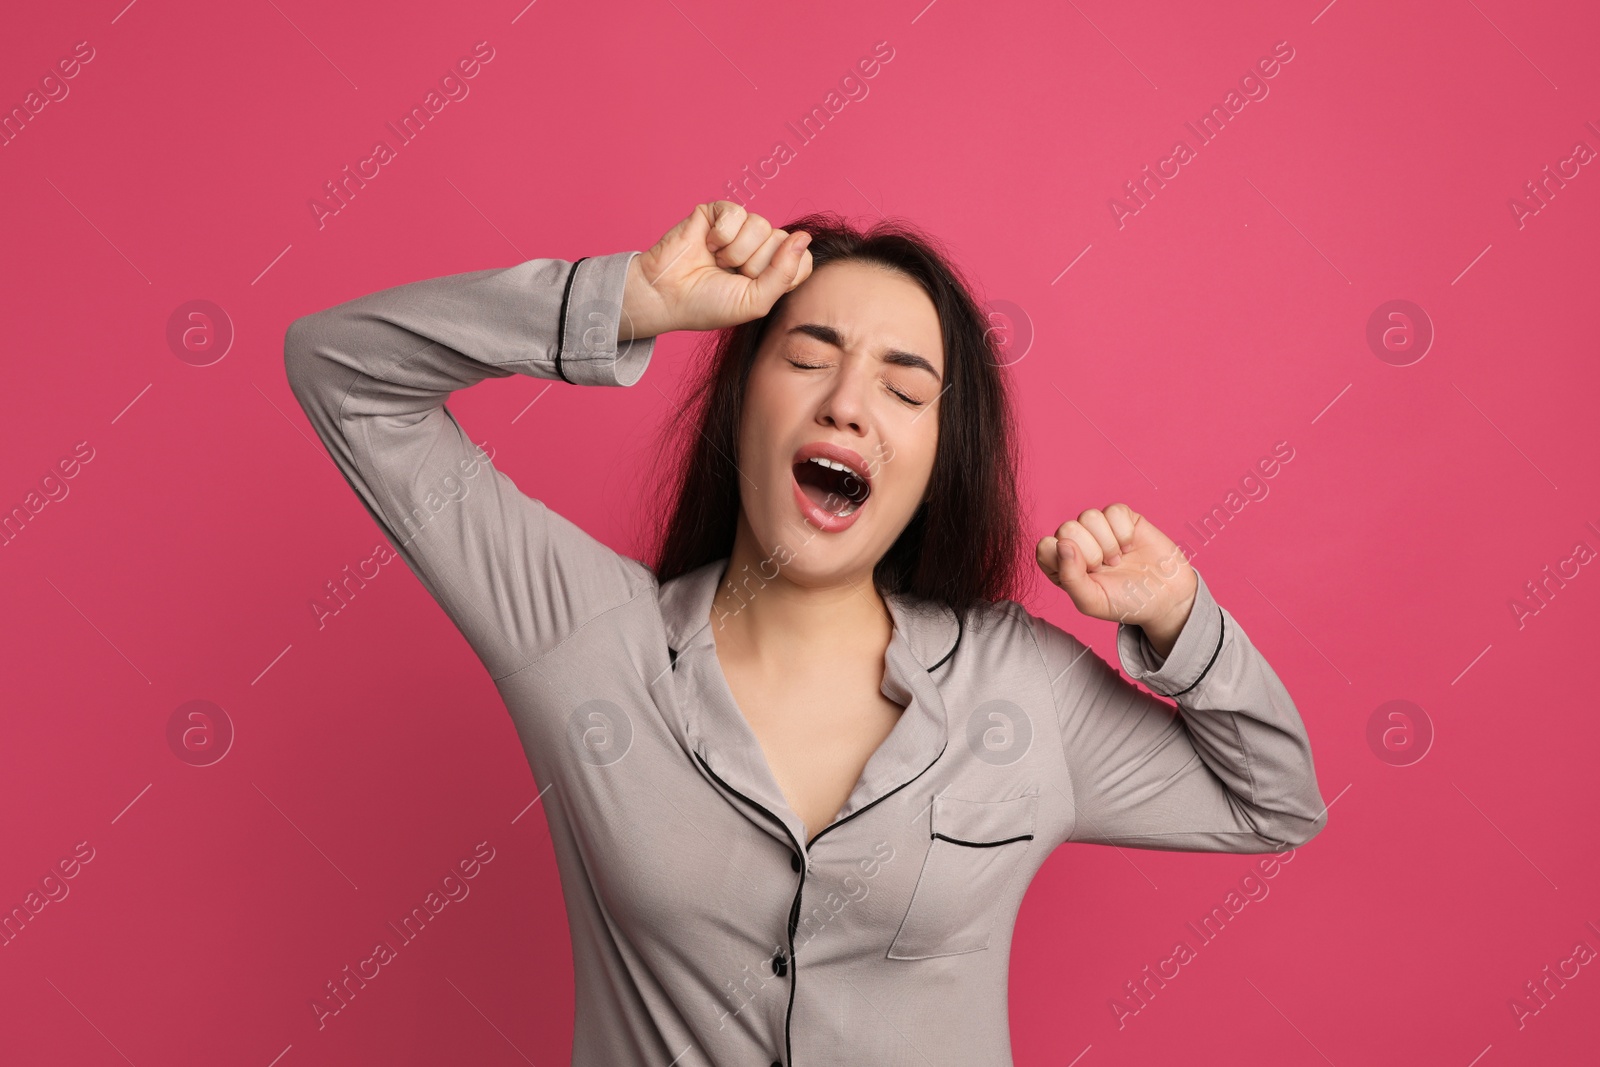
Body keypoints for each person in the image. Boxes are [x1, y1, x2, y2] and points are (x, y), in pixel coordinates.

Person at [283, 201, 1328, 1067]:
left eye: (902, 386)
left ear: (934, 460)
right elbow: (341, 372)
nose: (847, 405)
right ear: (741, 405)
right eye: (809, 357)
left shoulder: (1021, 691)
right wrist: (630, 299)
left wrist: (1179, 617)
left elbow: (1272, 800)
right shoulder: (586, 636)